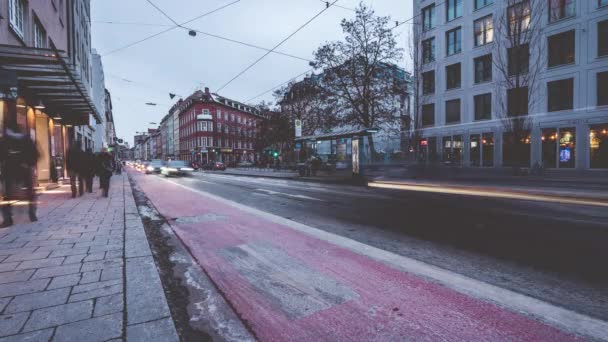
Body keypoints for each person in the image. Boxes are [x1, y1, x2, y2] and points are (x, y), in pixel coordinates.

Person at [0, 124, 39, 227]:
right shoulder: (26, 140)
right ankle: (32, 214)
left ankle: (7, 219)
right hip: (24, 170)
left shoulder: (4, 140)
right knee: (30, 193)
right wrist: (28, 163)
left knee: (6, 196)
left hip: (9, 171)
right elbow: (35, 154)